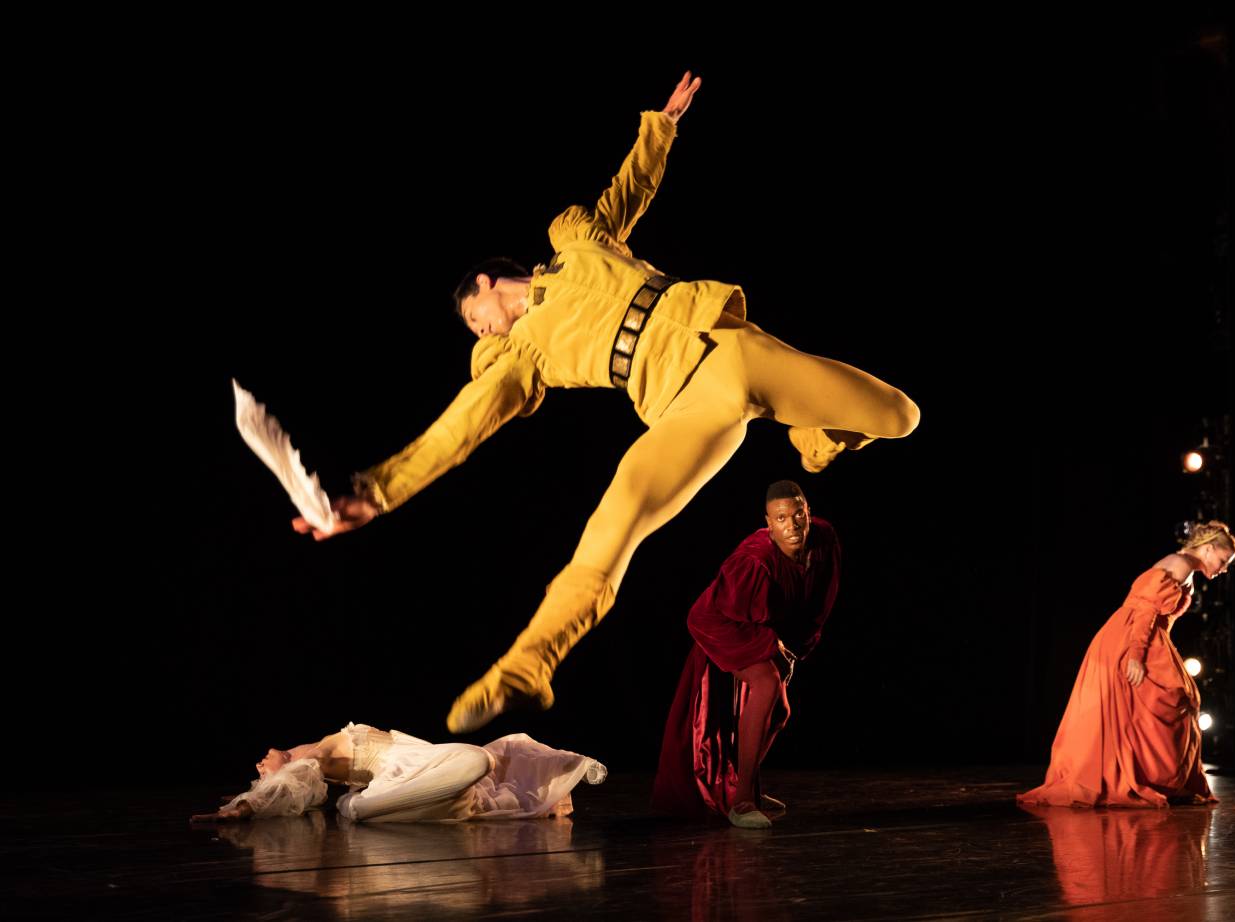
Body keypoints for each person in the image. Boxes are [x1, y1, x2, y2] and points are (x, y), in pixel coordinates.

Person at [291, 72, 917, 734]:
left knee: (900, 416)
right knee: (611, 529)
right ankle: (527, 664)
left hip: (730, 347)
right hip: (682, 410)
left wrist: (663, 125)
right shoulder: (519, 357)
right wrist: (375, 493)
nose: (482, 332)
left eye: (476, 317)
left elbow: (631, 187)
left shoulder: (578, 240)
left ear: (486, 282)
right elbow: (457, 432)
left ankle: (814, 442)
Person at [651, 480, 840, 828]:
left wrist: (796, 649)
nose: (793, 525)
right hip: (721, 624)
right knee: (766, 685)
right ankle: (741, 804)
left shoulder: (825, 539)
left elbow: (820, 600)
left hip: (762, 629)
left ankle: (746, 784)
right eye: (781, 518)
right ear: (768, 523)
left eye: (798, 514)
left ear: (809, 513)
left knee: (780, 711)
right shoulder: (755, 561)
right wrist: (772, 648)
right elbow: (713, 615)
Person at [1018, 521, 1235, 808]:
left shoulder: (1187, 569)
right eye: (1223, 561)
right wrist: (1135, 655)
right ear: (1208, 549)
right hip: (1131, 637)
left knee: (1174, 702)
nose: (1223, 569)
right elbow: (1146, 608)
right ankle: (1141, 779)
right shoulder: (1181, 564)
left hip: (1146, 637)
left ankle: (1159, 780)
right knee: (1169, 699)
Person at [190, 724, 605, 823]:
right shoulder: (305, 764)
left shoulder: (307, 748)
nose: (260, 763)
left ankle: (358, 807)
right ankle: (361, 808)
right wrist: (243, 805)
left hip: (418, 756)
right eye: (261, 772)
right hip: (393, 772)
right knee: (478, 763)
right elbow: (283, 790)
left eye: (261, 767)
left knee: (495, 755)